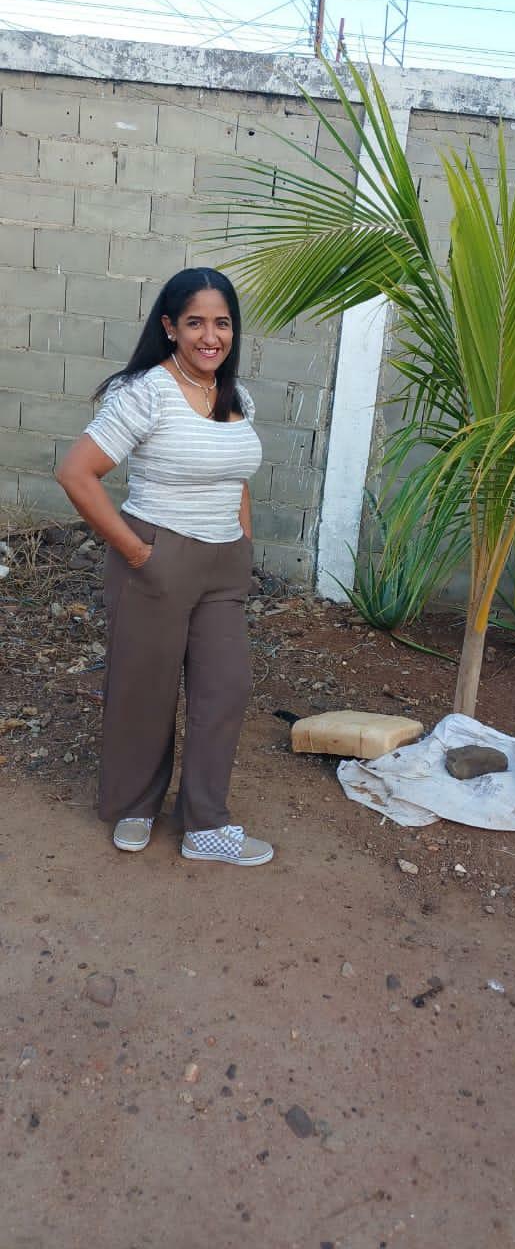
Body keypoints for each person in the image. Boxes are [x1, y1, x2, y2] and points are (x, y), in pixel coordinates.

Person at [56, 267, 273, 867]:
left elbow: (236, 476)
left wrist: (244, 539)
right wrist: (138, 554)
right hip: (156, 555)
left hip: (223, 565)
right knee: (144, 690)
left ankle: (206, 824)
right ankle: (134, 805)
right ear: (170, 327)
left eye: (222, 323)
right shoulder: (146, 391)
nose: (211, 336)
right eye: (196, 322)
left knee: (225, 688)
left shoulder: (236, 397)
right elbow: (77, 474)